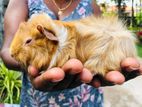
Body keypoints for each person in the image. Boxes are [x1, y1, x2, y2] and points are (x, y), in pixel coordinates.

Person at [0, 0, 142, 106]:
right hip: (37, 100)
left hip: (85, 97)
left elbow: (102, 31)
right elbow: (8, 51)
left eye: (29, 42)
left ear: (50, 37)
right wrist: (33, 63)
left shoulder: (90, 4)